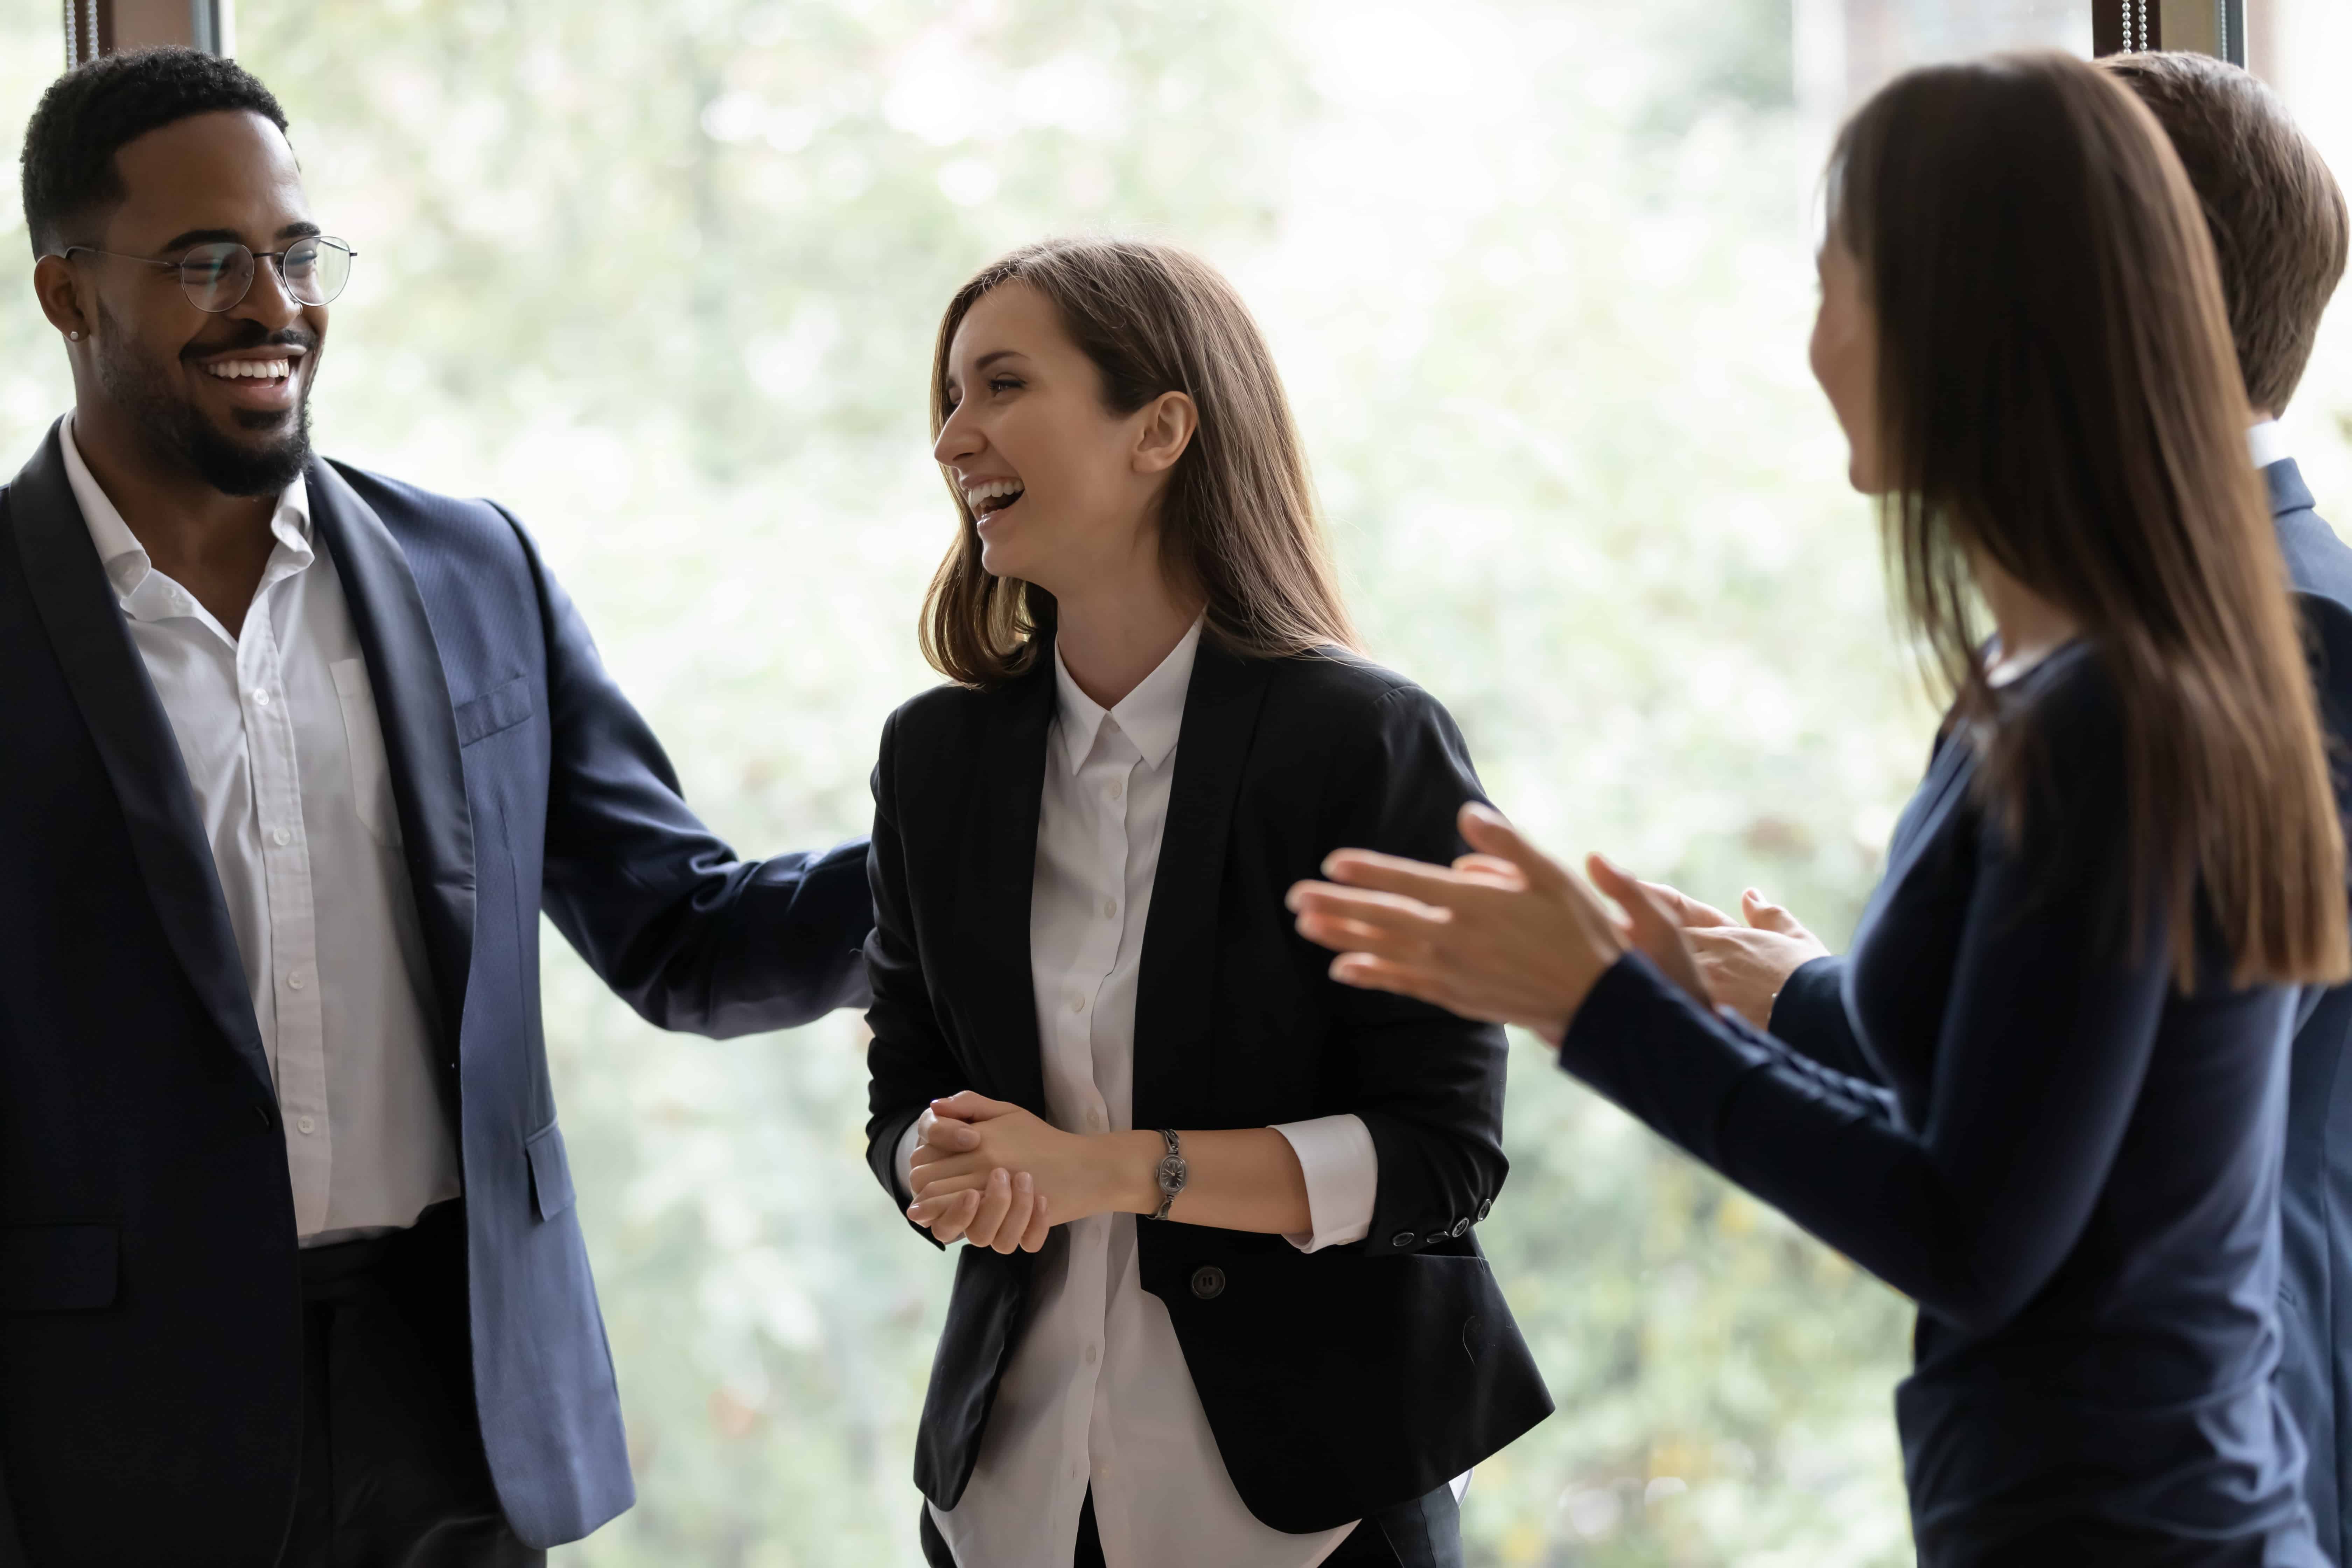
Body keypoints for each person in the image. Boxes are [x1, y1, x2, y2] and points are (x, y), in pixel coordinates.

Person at [1289, 52, 2348, 1564]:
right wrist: (1683, 997)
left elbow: (1974, 1234)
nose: (1815, 349)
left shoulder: (2122, 710)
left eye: (1837, 286)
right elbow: (2013, 1125)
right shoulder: (2075, 682)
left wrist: (1597, 1005)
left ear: (1977, 320)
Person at [0, 49, 871, 1567]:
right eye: (207, 262)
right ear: (69, 294)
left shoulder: (476, 572)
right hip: (103, 1437)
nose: (274, 306)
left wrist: (994, 834)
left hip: (459, 1397)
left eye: (293, 251)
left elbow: (682, 933)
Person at [1648, 49, 2352, 1564]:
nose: (1827, 335)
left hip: (2221, 1438)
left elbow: (2142, 1112)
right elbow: (2066, 1050)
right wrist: (1799, 998)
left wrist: (1633, 1004)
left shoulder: (2288, 641)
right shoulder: (2066, 636)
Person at [863, 237, 1552, 1568]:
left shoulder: (1367, 745)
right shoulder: (935, 761)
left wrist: (1108, 1172)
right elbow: (905, 1090)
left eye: (1002, 386)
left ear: (1161, 428)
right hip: (1004, 1505)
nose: (954, 438)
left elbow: (1440, 1160)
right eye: (949, 398)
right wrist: (934, 1164)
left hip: (1312, 1515)